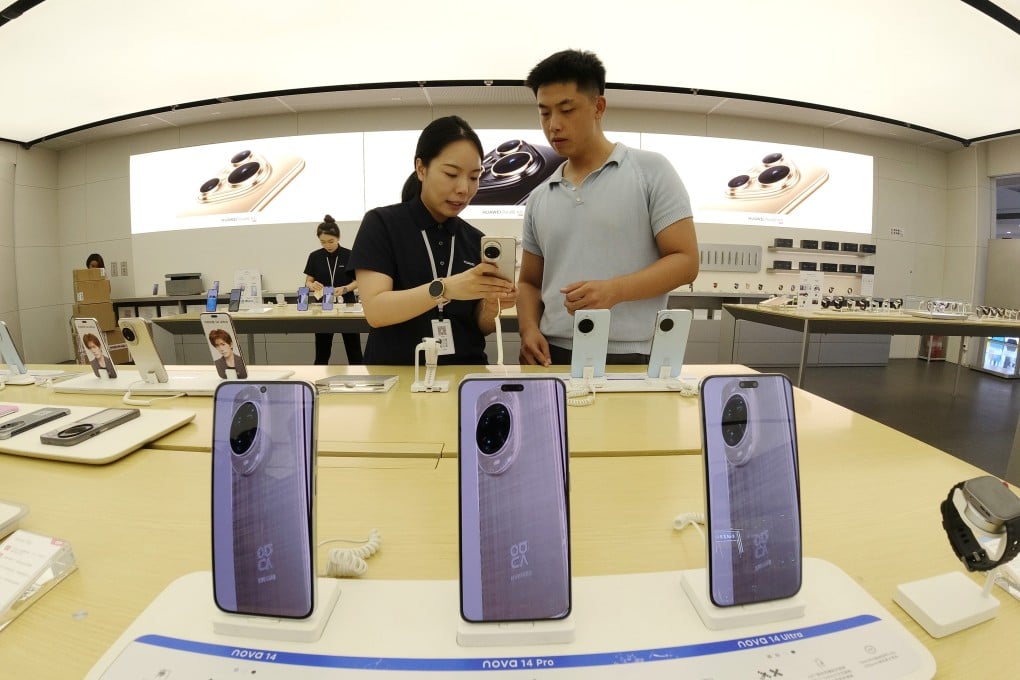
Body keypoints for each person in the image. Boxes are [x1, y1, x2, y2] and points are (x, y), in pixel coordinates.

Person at [517, 49, 700, 366]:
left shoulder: (651, 171)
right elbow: (530, 282)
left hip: (631, 353)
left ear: (598, 106)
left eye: (567, 110)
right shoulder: (539, 197)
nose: (554, 125)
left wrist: (616, 290)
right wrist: (528, 328)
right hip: (551, 354)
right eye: (544, 113)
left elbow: (686, 262)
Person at [349, 115, 516, 365]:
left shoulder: (474, 239)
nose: (464, 189)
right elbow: (376, 311)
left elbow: (480, 326)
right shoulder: (382, 224)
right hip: (399, 375)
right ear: (421, 168)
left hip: (464, 375)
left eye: (474, 177)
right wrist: (445, 288)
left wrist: (492, 306)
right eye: (451, 174)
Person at [303, 214, 364, 365]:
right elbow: (308, 281)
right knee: (322, 352)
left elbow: (358, 280)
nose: (327, 245)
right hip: (324, 306)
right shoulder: (315, 256)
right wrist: (311, 285)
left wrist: (345, 288)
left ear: (338, 237)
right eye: (323, 242)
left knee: (354, 352)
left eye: (331, 241)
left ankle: (360, 383)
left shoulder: (349, 255)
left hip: (348, 306)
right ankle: (317, 384)